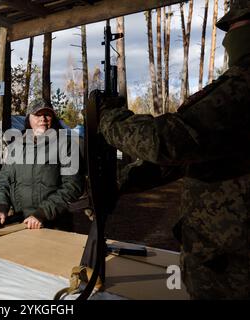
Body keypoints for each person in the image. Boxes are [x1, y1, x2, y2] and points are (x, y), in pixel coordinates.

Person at [97, 0, 250, 299]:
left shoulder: (243, 87)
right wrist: (121, 181)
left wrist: (108, 119)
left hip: (235, 269)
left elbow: (167, 142)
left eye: (236, 26)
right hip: (224, 260)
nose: (229, 36)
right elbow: (190, 154)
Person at [0, 98, 84, 229]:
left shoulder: (66, 144)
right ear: (28, 119)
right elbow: (3, 182)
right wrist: (0, 207)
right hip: (19, 223)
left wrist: (43, 213)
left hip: (53, 223)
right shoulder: (15, 146)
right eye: (37, 115)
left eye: (47, 114)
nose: (43, 119)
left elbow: (73, 186)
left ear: (53, 118)